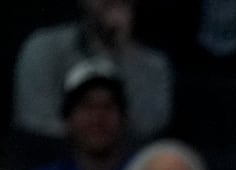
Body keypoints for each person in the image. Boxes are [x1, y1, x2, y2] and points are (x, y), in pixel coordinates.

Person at [11, 0, 174, 144]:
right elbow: (36, 123)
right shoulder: (43, 48)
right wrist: (94, 140)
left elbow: (148, 129)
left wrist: (120, 50)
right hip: (53, 166)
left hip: (126, 168)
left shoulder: (154, 65)